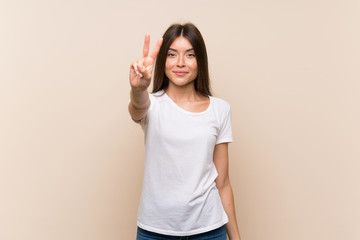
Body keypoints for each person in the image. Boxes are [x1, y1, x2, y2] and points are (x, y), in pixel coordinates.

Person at [128, 23, 241, 240]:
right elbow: (137, 108)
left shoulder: (220, 110)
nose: (180, 63)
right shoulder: (152, 104)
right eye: (172, 55)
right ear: (163, 62)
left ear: (200, 61)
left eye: (190, 55)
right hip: (155, 230)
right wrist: (138, 89)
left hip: (209, 230)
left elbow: (223, 182)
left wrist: (236, 237)